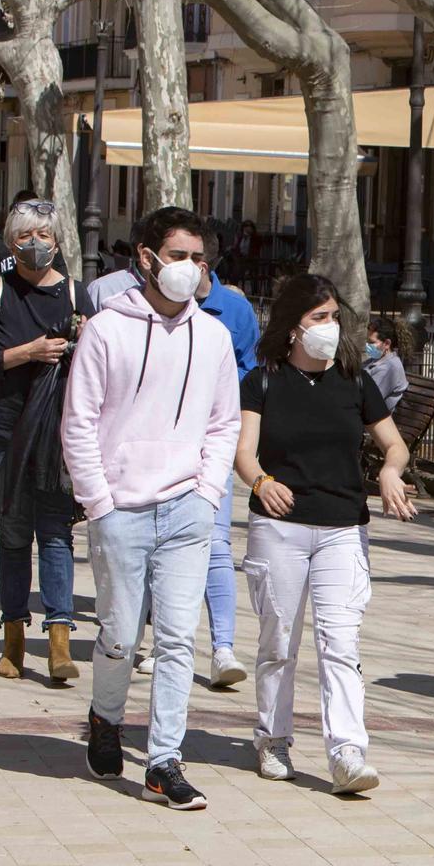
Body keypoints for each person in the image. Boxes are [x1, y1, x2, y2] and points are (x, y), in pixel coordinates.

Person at [61, 206, 239, 810]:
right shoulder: (106, 330)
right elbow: (78, 423)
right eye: (180, 255)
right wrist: (100, 503)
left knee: (177, 640)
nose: (190, 269)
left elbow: (225, 423)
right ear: (146, 257)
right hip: (121, 509)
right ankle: (106, 716)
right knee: (118, 632)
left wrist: (209, 493)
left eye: (200, 259)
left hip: (188, 507)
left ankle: (165, 760)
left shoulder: (211, 336)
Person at [235, 274, 415, 792]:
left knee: (340, 641)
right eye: (320, 318)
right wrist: (261, 481)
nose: (330, 328)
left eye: (335, 317)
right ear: (293, 327)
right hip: (280, 529)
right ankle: (273, 738)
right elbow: (244, 452)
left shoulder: (355, 379)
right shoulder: (262, 381)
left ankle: (347, 753)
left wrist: (389, 471)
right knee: (280, 641)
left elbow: (394, 445)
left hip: (342, 528)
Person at [0, 200, 90, 683]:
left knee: (56, 531)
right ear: (10, 245)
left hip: (59, 430)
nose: (36, 246)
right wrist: (26, 353)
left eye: (45, 236)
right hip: (4, 427)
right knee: (14, 529)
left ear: (58, 241)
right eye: (25, 238)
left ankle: (59, 641)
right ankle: (13, 636)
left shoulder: (77, 295)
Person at [196, 243, 261, 689]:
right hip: (159, 447)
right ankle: (163, 642)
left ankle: (223, 648)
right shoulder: (140, 307)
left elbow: (250, 373)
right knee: (160, 549)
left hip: (215, 440)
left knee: (217, 545)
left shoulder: (235, 312)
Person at [365, 317, 409, 412]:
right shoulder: (374, 360)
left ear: (387, 344)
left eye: (372, 342)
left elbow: (368, 400)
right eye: (367, 341)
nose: (367, 345)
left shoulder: (390, 367)